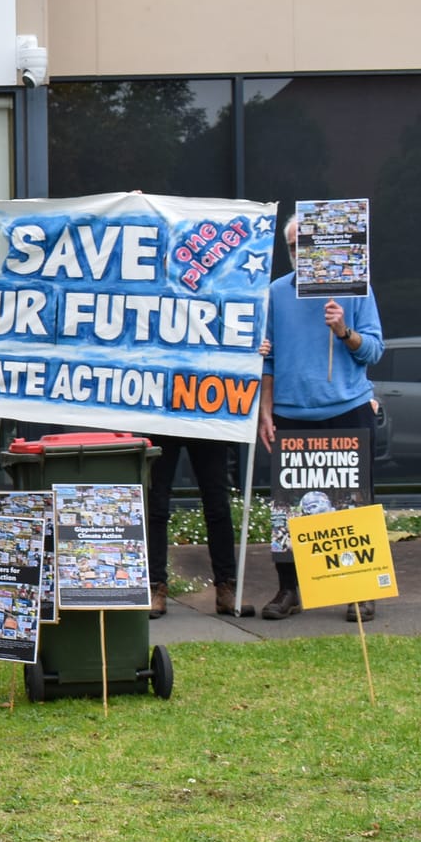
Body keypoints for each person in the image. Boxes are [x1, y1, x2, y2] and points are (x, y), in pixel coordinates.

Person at [258, 220, 386, 621]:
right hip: (291, 413)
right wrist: (265, 410)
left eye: (307, 246)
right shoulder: (277, 292)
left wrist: (344, 331)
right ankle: (288, 590)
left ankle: (360, 591)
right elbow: (269, 359)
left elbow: (374, 351)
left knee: (353, 506)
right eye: (294, 247)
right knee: (289, 509)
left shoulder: (356, 289)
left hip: (347, 408)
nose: (301, 254)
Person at [145, 436, 241, 618]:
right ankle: (155, 586)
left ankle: (226, 588)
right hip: (164, 421)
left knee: (218, 505)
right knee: (156, 506)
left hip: (206, 421)